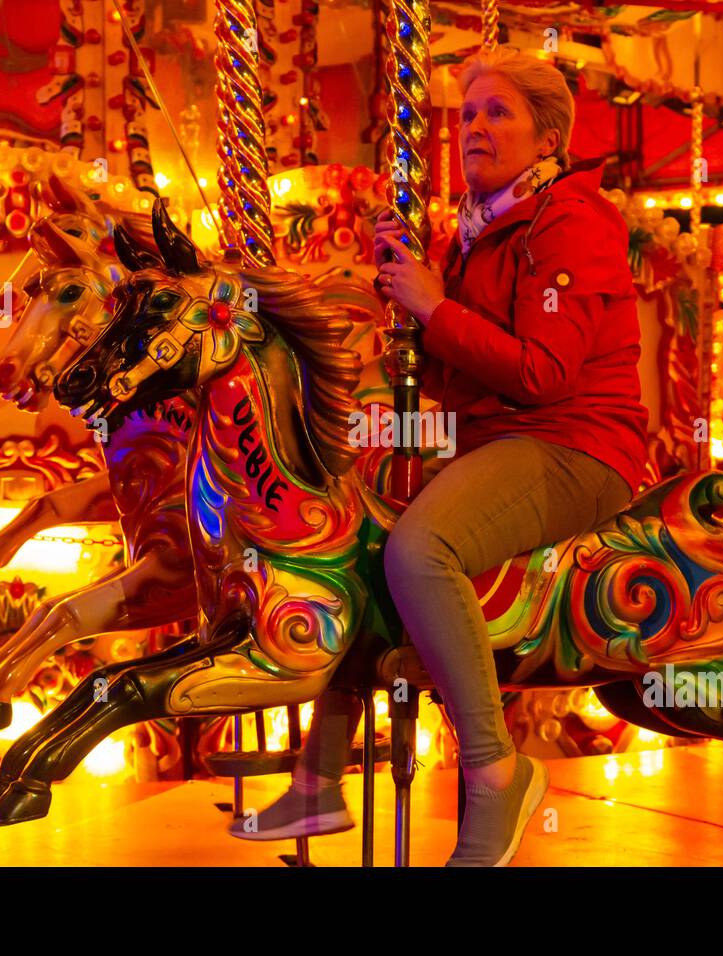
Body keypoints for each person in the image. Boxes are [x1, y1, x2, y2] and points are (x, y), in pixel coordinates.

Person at [229, 45, 649, 866]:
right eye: (468, 115)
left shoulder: (572, 220)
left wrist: (433, 303)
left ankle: (497, 771)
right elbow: (460, 368)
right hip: (495, 440)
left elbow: (542, 371)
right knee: (358, 546)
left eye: (498, 113)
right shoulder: (475, 232)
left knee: (422, 551)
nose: (474, 128)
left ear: (548, 134)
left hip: (576, 441)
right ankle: (319, 782)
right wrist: (411, 301)